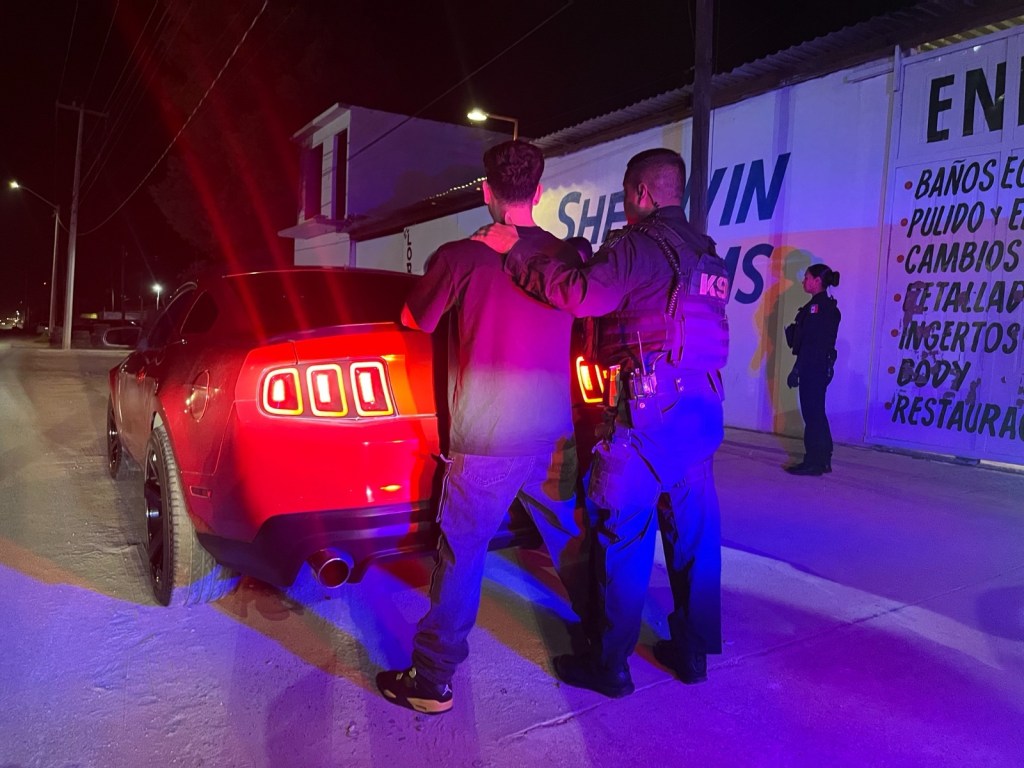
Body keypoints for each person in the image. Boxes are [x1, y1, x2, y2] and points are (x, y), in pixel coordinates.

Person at [475, 148, 730, 696]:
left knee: (624, 534)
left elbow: (581, 295)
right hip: (704, 409)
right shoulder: (705, 251)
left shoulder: (639, 246)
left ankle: (609, 665)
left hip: (650, 410)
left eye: (626, 194)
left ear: (641, 192)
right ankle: (692, 655)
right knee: (693, 536)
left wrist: (516, 251)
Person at [375, 140, 587, 715]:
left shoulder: (460, 256)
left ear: (485, 192)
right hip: (553, 436)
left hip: (486, 436)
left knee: (463, 554)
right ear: (538, 192)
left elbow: (413, 319)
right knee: (573, 542)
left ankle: (432, 680)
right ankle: (602, 646)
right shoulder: (565, 260)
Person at [784, 263, 841, 476]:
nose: (804, 281)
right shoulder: (826, 306)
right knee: (817, 413)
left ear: (817, 281)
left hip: (812, 367)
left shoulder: (817, 309)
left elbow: (811, 344)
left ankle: (814, 462)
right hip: (819, 366)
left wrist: (797, 370)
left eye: (807, 277)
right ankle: (823, 458)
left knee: (812, 415)